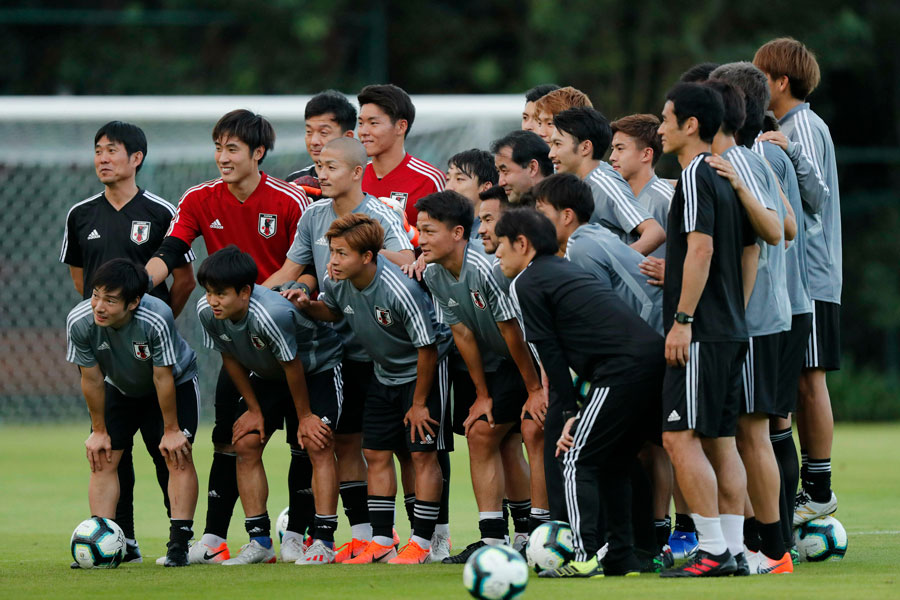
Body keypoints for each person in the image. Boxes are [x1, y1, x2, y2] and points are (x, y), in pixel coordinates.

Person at [145, 109, 310, 564]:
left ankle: (297, 534)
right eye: (218, 147)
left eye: (232, 148)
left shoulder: (289, 200)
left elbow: (308, 266)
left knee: (303, 440)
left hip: (289, 338)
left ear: (258, 153)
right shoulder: (200, 198)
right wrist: (139, 288)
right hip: (238, 345)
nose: (222, 156)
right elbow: (171, 250)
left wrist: (260, 299)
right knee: (229, 438)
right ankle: (215, 539)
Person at [263, 137, 415, 562]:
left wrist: (358, 256)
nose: (321, 174)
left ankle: (426, 535)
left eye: (330, 166)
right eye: (318, 166)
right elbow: (290, 271)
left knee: (402, 448)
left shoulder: (381, 211)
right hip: (338, 349)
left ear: (356, 171)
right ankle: (366, 535)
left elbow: (406, 263)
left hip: (387, 352)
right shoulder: (313, 216)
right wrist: (251, 299)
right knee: (345, 443)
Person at [494, 208, 664, 578]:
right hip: (652, 360)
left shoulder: (526, 282)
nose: (496, 254)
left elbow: (550, 352)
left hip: (621, 370)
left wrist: (568, 411)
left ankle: (583, 557)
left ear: (522, 244)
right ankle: (622, 557)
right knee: (616, 461)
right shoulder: (564, 270)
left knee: (575, 459)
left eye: (501, 245)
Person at [60, 120, 195, 564]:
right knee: (111, 454)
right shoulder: (80, 215)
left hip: (153, 350)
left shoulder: (160, 212)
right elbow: (82, 281)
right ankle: (124, 540)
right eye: (97, 150)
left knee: (168, 452)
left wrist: (154, 325)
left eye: (112, 150)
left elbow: (185, 278)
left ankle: (180, 543)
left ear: (136, 158)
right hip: (110, 360)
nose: (102, 158)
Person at [285, 213, 453, 565]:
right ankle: (381, 541)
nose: (332, 261)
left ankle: (421, 543)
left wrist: (420, 403)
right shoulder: (336, 281)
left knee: (421, 455)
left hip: (422, 373)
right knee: (375, 453)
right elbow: (334, 312)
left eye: (342, 253)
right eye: (332, 252)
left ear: (367, 256)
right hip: (383, 373)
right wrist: (308, 305)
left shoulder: (399, 289)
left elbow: (428, 348)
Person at [655, 82, 758, 578]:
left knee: (677, 437)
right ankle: (735, 550)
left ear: (690, 124)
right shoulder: (724, 174)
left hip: (701, 331)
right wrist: (731, 312)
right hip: (727, 329)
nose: (659, 127)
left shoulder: (697, 174)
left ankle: (714, 550)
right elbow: (751, 248)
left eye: (665, 118)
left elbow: (702, 249)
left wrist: (683, 320)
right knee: (720, 440)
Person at [712, 60, 810, 567]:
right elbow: (790, 225)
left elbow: (777, 231)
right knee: (749, 434)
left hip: (751, 319)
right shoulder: (755, 159)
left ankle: (773, 549)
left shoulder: (744, 163)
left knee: (750, 434)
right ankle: (757, 543)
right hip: (765, 315)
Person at [416, 191, 547, 563]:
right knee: (487, 432)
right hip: (500, 364)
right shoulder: (433, 272)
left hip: (533, 355)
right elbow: (463, 335)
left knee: (523, 432)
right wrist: (482, 394)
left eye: (428, 231)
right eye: (419, 230)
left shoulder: (486, 266)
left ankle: (533, 532)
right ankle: (504, 537)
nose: (420, 239)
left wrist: (535, 388)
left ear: (458, 232)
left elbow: (513, 332)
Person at [196, 246, 344, 565]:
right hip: (269, 372)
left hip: (316, 368)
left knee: (317, 444)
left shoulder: (270, 314)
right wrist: (253, 409)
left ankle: (323, 541)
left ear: (246, 291)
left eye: (221, 293)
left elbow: (293, 366)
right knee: (246, 443)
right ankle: (260, 541)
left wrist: (305, 417)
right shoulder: (207, 312)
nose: (213, 300)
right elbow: (231, 356)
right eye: (209, 292)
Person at [754, 37, 842, 527]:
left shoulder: (801, 126)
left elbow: (817, 194)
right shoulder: (784, 126)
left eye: (760, 74)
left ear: (781, 81)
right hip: (801, 276)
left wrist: (791, 152)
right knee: (799, 381)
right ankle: (806, 487)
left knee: (809, 380)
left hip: (810, 276)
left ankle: (819, 488)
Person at [66, 258, 199, 567]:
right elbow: (91, 377)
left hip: (171, 383)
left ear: (133, 303)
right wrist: (99, 432)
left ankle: (179, 545)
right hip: (120, 385)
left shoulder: (155, 317)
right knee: (104, 455)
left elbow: (162, 376)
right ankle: (110, 542)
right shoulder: (80, 320)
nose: (98, 306)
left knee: (175, 454)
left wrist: (171, 430)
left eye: (110, 300)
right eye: (96, 294)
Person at [548, 107, 665, 255]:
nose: (551, 154)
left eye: (558, 144)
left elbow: (654, 232)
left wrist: (617, 266)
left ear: (585, 147)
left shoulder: (604, 183)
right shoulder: (577, 182)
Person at [358, 84, 446, 227]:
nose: (363, 131)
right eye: (361, 123)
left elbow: (444, 239)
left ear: (401, 126)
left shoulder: (430, 180)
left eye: (373, 123)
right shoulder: (354, 176)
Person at [610, 114, 675, 258]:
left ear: (646, 154)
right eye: (613, 148)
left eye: (620, 149)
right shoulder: (617, 196)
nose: (612, 157)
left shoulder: (666, 200)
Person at [285, 90, 358, 198]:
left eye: (323, 133)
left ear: (347, 137)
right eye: (309, 132)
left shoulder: (362, 182)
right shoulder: (294, 184)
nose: (314, 141)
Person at [446, 149, 498, 240]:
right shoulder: (453, 227)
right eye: (448, 179)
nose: (448, 188)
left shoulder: (493, 232)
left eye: (459, 179)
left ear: (485, 187)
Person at [491, 130, 553, 204]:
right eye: (498, 172)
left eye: (505, 171)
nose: (501, 182)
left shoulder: (560, 209)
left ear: (532, 168)